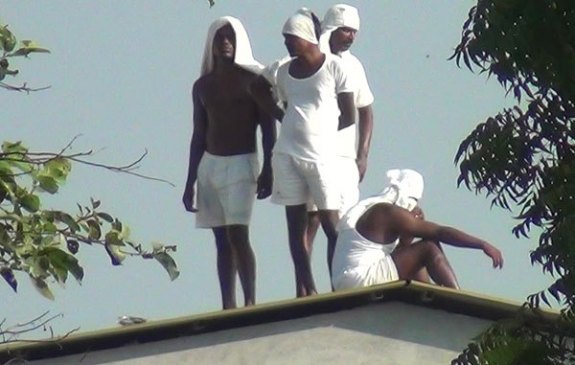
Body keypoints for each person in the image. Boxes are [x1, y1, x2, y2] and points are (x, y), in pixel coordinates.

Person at [182, 17, 276, 309]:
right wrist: (190, 182)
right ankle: (228, 305)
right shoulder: (202, 86)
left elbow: (269, 131)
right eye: (220, 37)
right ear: (211, 43)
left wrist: (268, 168)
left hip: (241, 164)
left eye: (230, 38)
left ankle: (250, 300)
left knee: (238, 234)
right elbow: (198, 134)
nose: (225, 43)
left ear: (239, 42)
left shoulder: (255, 82)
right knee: (220, 239)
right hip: (210, 166)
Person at [264, 8, 356, 297]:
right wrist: (282, 116)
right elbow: (257, 87)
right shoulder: (284, 71)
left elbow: (350, 115)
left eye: (290, 38)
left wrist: (322, 131)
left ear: (306, 37)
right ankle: (308, 287)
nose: (287, 44)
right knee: (295, 226)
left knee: (332, 223)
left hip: (321, 156)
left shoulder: (333, 67)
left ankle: (341, 284)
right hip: (287, 153)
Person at [331, 169, 504, 291]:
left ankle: (427, 295)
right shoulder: (388, 212)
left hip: (345, 281)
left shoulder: (371, 207)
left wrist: (413, 228)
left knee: (417, 254)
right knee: (428, 247)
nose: (414, 205)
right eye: (414, 200)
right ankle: (457, 297)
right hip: (359, 279)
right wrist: (482, 244)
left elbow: (403, 250)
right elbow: (439, 232)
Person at [306, 4, 375, 264]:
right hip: (313, 152)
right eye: (346, 30)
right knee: (311, 218)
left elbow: (366, 111)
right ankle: (305, 289)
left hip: (344, 158)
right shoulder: (312, 61)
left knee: (343, 226)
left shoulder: (354, 66)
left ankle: (337, 282)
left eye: (354, 32)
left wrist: (363, 155)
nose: (351, 37)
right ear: (333, 29)